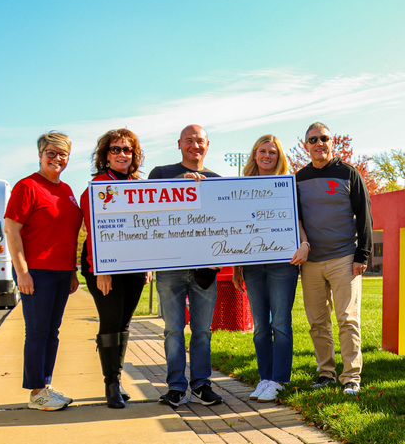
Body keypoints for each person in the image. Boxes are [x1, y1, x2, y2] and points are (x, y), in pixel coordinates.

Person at [4, 131, 83, 411]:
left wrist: (72, 271)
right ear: (40, 155)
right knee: (37, 331)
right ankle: (37, 391)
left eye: (63, 154)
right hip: (36, 270)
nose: (57, 158)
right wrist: (22, 271)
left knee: (52, 331)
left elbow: (67, 233)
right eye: (51, 153)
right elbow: (11, 229)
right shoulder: (27, 186)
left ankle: (46, 386)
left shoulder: (67, 191)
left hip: (62, 271)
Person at [147, 124, 224, 408]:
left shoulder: (217, 180)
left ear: (207, 145)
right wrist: (179, 183)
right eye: (189, 140)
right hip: (170, 268)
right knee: (173, 330)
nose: (195, 145)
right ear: (179, 144)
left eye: (200, 140)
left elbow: (225, 225)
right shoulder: (161, 174)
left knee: (202, 331)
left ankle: (202, 384)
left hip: (204, 270)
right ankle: (176, 386)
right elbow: (149, 214)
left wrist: (221, 258)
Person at [295, 122, 373, 395]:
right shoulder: (298, 179)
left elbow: (365, 216)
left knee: (347, 319)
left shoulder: (348, 174)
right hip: (312, 263)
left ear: (332, 142)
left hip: (344, 258)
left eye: (324, 138)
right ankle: (326, 373)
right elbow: (295, 219)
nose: (319, 143)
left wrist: (362, 255)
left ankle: (351, 377)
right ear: (306, 145)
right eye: (313, 139)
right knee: (317, 322)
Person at [232, 136, 310, 403]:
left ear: (279, 157)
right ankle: (265, 377)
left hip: (282, 263)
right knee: (260, 326)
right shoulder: (241, 187)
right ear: (254, 155)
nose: (267, 156)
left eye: (272, 152)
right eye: (262, 151)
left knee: (280, 323)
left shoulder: (287, 186)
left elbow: (296, 219)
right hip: (253, 265)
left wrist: (305, 244)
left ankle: (279, 380)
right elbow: (237, 226)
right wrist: (236, 267)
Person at [80, 128, 147, 409]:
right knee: (110, 322)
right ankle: (110, 384)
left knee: (124, 323)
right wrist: (101, 270)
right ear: (106, 156)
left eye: (127, 150)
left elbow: (147, 229)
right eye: (116, 149)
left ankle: (117, 380)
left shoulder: (139, 186)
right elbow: (93, 231)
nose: (122, 154)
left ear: (134, 155)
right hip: (103, 266)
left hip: (132, 266)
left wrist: (147, 265)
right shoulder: (97, 187)